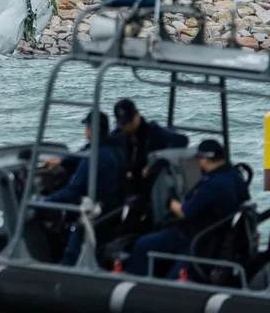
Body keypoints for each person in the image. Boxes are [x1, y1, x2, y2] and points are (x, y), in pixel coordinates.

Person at [123, 139, 250, 279]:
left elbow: (185, 211)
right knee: (145, 243)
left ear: (206, 160)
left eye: (200, 159)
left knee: (147, 249)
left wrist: (169, 201)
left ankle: (134, 282)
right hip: (216, 237)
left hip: (198, 241)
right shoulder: (235, 177)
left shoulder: (213, 185)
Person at [42, 110, 124, 266]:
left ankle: (66, 264)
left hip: (97, 215)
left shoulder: (92, 157)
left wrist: (43, 201)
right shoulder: (114, 149)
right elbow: (82, 152)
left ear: (91, 130)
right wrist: (61, 161)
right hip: (113, 212)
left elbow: (73, 192)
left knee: (74, 229)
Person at [110, 99, 189, 198]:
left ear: (138, 114)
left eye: (129, 121)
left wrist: (156, 161)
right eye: (124, 124)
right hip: (125, 184)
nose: (127, 126)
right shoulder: (118, 135)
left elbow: (181, 140)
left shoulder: (153, 132)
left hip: (149, 184)